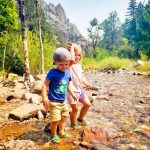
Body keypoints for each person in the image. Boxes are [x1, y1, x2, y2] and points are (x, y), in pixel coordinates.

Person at [42, 47, 77, 143]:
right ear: (55, 62)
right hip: (54, 102)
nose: (64, 66)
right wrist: (44, 97)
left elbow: (68, 85)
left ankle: (61, 132)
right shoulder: (52, 72)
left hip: (63, 101)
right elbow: (45, 84)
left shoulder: (67, 73)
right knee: (55, 120)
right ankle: (53, 134)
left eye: (66, 64)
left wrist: (73, 94)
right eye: (61, 64)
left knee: (64, 117)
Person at [67, 43, 92, 129]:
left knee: (87, 104)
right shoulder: (69, 65)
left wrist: (86, 83)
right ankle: (73, 125)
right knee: (75, 109)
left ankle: (80, 119)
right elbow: (72, 59)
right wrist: (72, 48)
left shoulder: (79, 66)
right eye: (75, 54)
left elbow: (81, 77)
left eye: (79, 55)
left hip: (79, 89)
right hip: (71, 91)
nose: (77, 57)